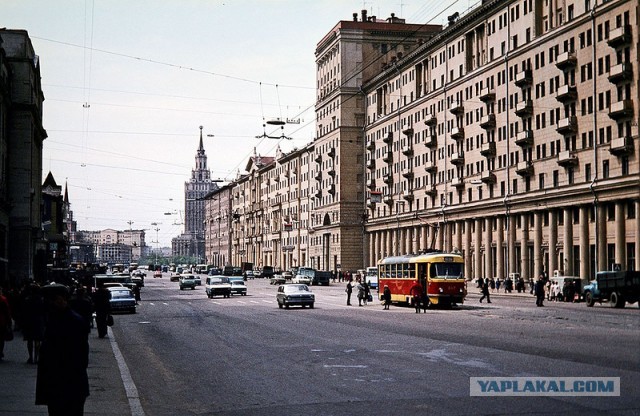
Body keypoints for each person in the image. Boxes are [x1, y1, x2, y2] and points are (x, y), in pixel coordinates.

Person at [36, 283, 89, 416]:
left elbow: (80, 356)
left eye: (51, 300)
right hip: (59, 383)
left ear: (60, 299)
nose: (48, 304)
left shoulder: (72, 322)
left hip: (67, 383)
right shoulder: (55, 319)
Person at [21, 284, 46, 364]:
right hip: (38, 320)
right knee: (37, 340)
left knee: (30, 340)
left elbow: (24, 311)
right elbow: (44, 311)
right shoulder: (41, 300)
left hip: (29, 320)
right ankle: (36, 357)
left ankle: (30, 357)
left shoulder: (27, 299)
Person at [0, 286, 12, 362]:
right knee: (1, 339)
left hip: (2, 320)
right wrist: (9, 321)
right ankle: (0, 352)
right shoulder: (3, 299)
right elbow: (7, 311)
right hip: (1, 321)